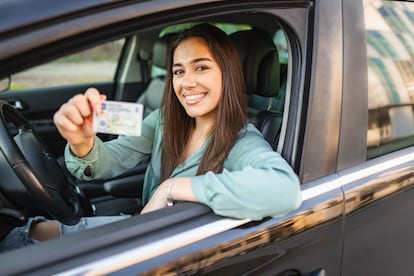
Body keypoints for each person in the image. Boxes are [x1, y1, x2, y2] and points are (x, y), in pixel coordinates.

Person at [0, 23, 301, 251]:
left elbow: (284, 190)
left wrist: (172, 187)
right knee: (27, 234)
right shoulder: (164, 120)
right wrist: (82, 142)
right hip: (142, 226)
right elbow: (109, 162)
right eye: (179, 71)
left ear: (229, 73)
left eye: (202, 68)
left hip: (177, 248)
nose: (187, 82)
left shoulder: (242, 140)